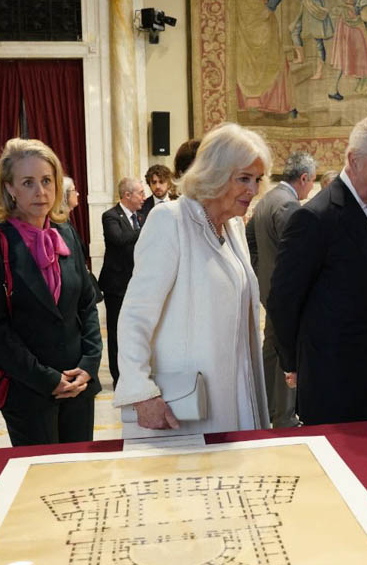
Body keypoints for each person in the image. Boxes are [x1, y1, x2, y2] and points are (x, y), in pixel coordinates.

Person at [113, 122, 270, 436]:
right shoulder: (170, 221)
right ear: (214, 172)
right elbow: (135, 316)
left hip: (236, 393)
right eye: (243, 178)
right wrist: (142, 393)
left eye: (257, 179)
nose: (252, 190)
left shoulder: (234, 227)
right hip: (182, 407)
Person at [268, 113, 367, 425]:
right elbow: (284, 299)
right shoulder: (316, 218)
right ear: (354, 160)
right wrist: (295, 362)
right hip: (337, 386)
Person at [0, 139, 102, 447]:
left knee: (80, 476)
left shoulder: (65, 234)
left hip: (78, 385)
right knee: (41, 484)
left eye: (46, 180)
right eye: (28, 182)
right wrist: (47, 379)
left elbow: (87, 305)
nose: (41, 191)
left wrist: (89, 365)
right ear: (10, 188)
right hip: (28, 388)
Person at [251, 151, 315, 428]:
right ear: (303, 178)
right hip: (285, 294)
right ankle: (285, 417)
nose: (312, 187)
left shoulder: (266, 199)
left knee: (271, 348)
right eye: (312, 181)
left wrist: (262, 274)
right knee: (287, 352)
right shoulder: (289, 206)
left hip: (269, 288)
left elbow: (251, 241)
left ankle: (267, 409)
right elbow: (300, 256)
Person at [99, 176, 146, 387]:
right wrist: (144, 231)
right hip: (116, 285)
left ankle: (134, 371)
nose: (144, 197)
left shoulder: (141, 217)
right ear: (127, 195)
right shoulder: (111, 216)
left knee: (135, 331)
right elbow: (118, 239)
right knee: (117, 331)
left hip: (136, 284)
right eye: (140, 193)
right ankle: (118, 376)